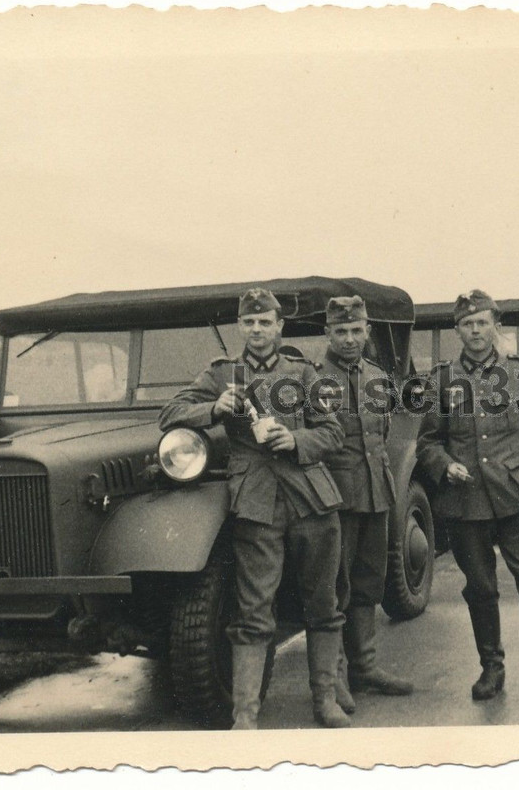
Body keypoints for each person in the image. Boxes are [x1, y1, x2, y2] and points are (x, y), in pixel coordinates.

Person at [158, 287, 350, 730]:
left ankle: (325, 700)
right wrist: (212, 407)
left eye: (266, 322)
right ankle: (245, 716)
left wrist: (296, 440)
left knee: (323, 602)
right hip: (257, 504)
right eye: (250, 323)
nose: (258, 330)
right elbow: (170, 413)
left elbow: (333, 433)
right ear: (240, 328)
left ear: (280, 327)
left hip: (312, 500)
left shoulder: (303, 374)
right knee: (253, 610)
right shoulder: (223, 374)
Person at [416, 289, 519, 708]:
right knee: (481, 589)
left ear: (495, 327)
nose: (475, 331)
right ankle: (492, 667)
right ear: (457, 330)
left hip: (517, 501)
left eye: (483, 323)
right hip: (466, 502)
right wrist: (443, 465)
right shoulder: (440, 381)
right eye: (468, 324)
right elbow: (429, 442)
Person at [319, 295, 414, 712]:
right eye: (340, 331)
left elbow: (382, 436)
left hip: (376, 494)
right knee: (333, 590)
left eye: (357, 330)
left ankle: (365, 668)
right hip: (336, 500)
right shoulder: (312, 379)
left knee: (368, 584)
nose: (349, 339)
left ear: (368, 332)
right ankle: (335, 676)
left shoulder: (377, 377)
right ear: (328, 334)